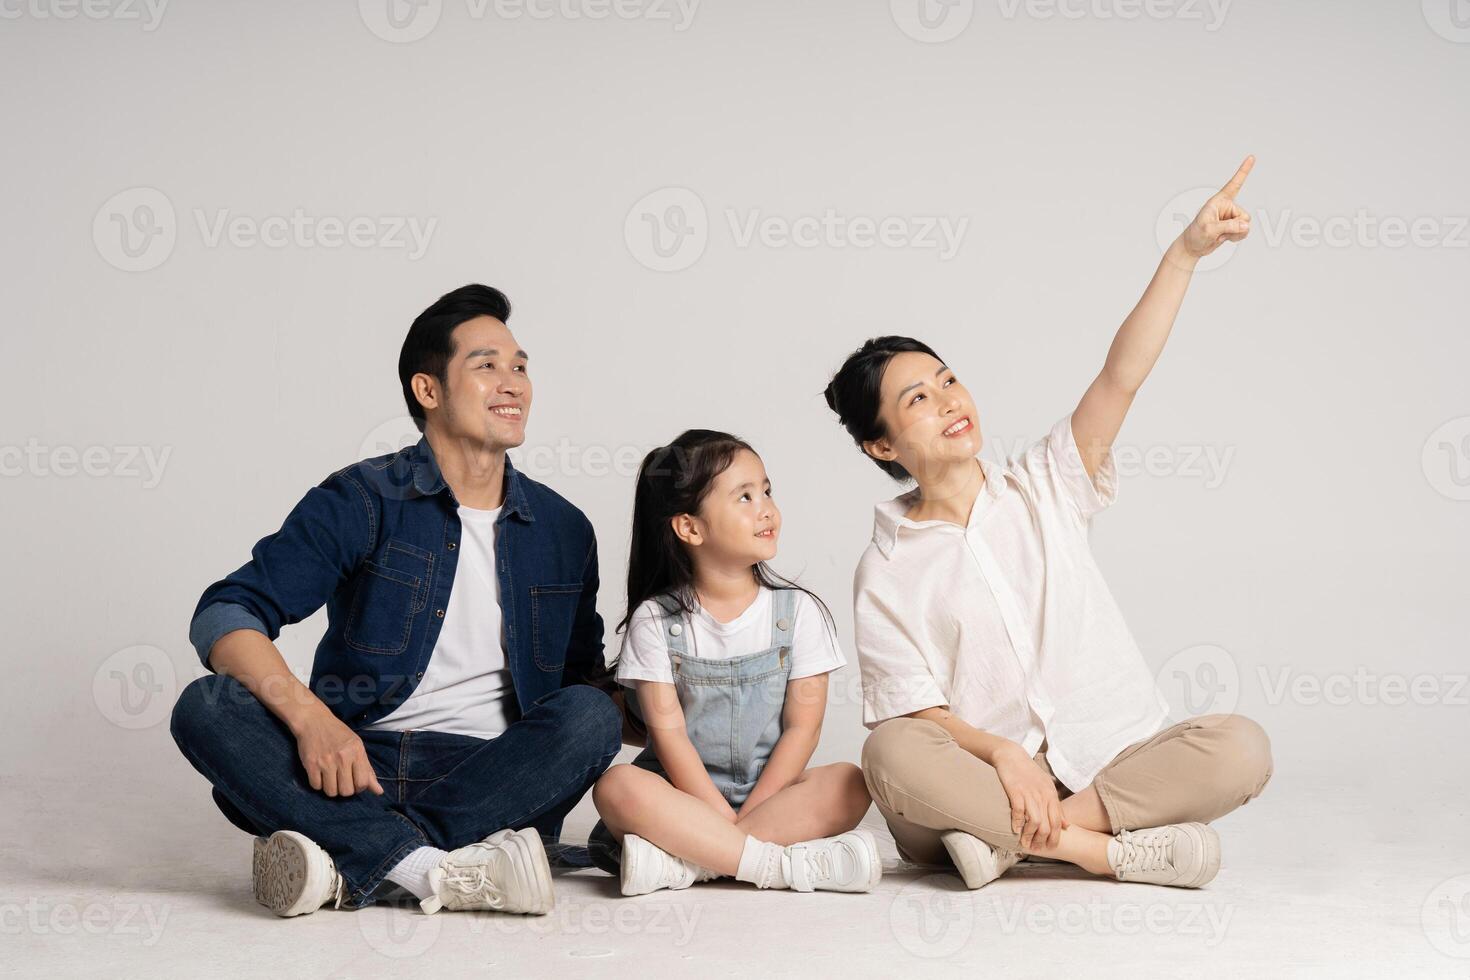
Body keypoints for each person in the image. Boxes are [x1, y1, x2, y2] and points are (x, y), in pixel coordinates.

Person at [823, 158, 1273, 891]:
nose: (947, 401)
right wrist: (1003, 755)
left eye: (947, 380)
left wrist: (1182, 255)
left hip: (1110, 765)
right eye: (917, 401)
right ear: (882, 445)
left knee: (1242, 747)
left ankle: (1011, 844)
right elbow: (920, 712)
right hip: (985, 776)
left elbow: (1120, 376)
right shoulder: (887, 567)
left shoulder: (1047, 482)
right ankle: (1105, 853)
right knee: (890, 754)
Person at [170, 284, 622, 916]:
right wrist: (312, 721)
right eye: (487, 365)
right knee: (209, 704)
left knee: (589, 717)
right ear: (428, 390)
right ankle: (435, 866)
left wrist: (699, 674)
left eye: (521, 366)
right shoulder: (363, 498)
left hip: (493, 773)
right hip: (354, 765)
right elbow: (226, 613)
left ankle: (353, 858)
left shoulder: (563, 528)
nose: (514, 382)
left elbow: (583, 686)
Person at [588, 430, 879, 895]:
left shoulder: (798, 612)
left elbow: (803, 729)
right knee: (618, 785)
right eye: (743, 497)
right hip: (682, 797)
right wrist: (716, 816)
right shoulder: (656, 621)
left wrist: (750, 812)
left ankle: (694, 862)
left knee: (851, 782)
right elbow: (669, 735)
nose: (765, 508)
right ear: (690, 528)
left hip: (771, 794)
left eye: (766, 490)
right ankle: (772, 865)